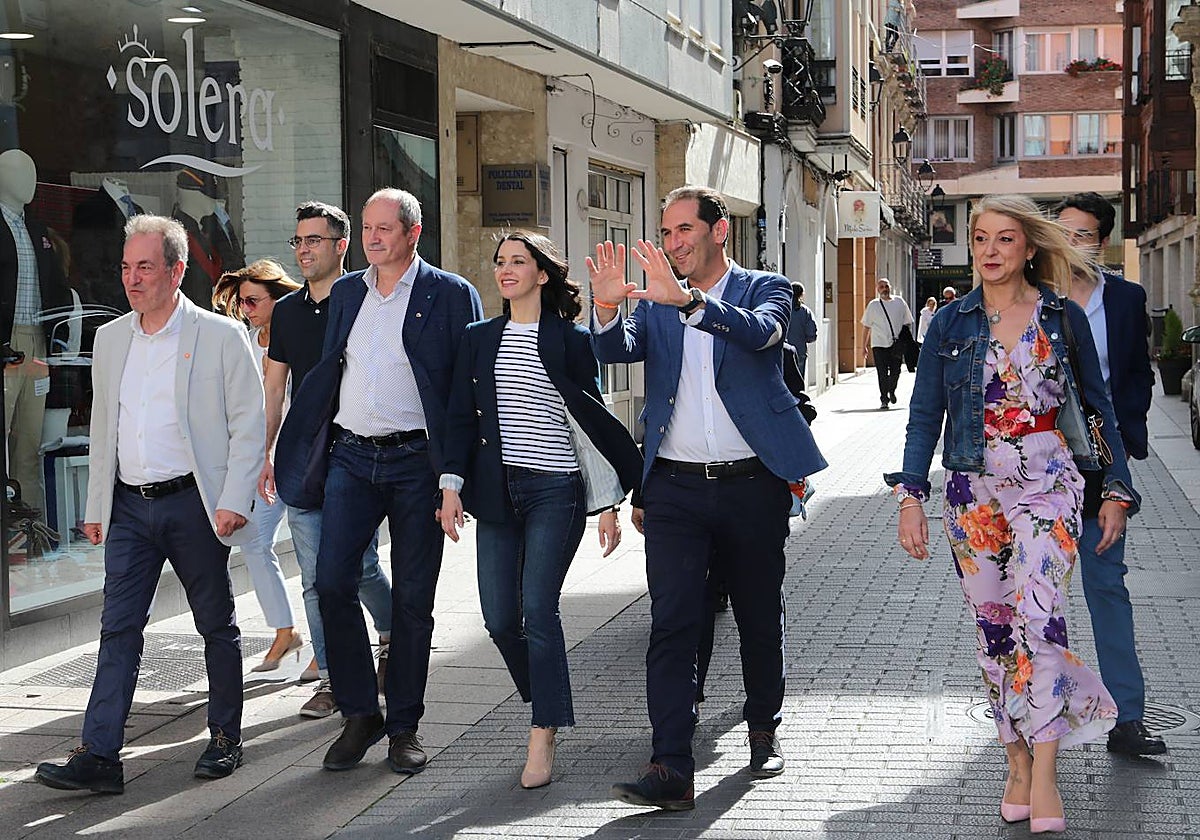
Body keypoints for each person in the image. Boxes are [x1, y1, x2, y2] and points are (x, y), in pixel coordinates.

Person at [887, 194, 1139, 833]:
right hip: (972, 489)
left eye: (1005, 239)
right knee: (996, 628)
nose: (990, 252)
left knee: (1040, 616)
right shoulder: (950, 323)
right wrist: (910, 496)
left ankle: (1048, 773)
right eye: (980, 239)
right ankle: (1017, 758)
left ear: (1029, 248)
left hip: (1049, 480)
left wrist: (1116, 488)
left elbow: (1099, 409)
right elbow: (925, 417)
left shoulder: (1061, 315)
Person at [589, 186, 827, 811]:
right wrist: (610, 310)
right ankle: (671, 763)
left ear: (719, 231)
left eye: (684, 230)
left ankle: (763, 728)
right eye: (666, 234)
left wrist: (692, 303)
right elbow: (613, 348)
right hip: (673, 487)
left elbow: (765, 335)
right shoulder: (656, 300)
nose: (673, 244)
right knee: (672, 621)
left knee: (756, 615)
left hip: (753, 484)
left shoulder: (764, 287)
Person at [34, 215, 264, 794]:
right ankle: (101, 755)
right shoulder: (111, 339)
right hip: (130, 509)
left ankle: (224, 737)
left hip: (195, 504)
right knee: (118, 629)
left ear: (176, 270)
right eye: (125, 267)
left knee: (216, 624)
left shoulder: (217, 335)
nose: (132, 279)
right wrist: (95, 506)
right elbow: (106, 427)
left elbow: (248, 422)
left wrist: (235, 498)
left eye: (145, 267)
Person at [274, 188, 483, 774]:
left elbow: (464, 395)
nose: (372, 238)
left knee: (413, 602)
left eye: (384, 228)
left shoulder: (448, 294)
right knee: (332, 582)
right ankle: (360, 713)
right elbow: (328, 371)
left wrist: (453, 480)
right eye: (366, 227)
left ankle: (404, 727)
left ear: (413, 232)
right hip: (351, 459)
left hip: (419, 464)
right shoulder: (347, 292)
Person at [439, 231, 642, 789]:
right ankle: (549, 695)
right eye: (500, 262)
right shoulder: (478, 339)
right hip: (498, 492)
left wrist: (606, 503)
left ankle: (543, 729)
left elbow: (591, 420)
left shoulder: (569, 341)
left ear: (542, 274)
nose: (506, 270)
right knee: (500, 619)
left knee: (538, 608)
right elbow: (461, 417)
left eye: (518, 262)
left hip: (557, 490)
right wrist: (451, 486)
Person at [259, 202, 394, 719]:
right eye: (297, 241)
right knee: (314, 575)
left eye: (314, 239)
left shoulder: (366, 298)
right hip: (304, 456)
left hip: (360, 450)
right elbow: (275, 387)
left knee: (358, 567)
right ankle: (336, 679)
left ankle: (392, 634)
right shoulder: (287, 311)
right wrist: (266, 452)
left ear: (342, 245)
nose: (304, 250)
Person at [1054, 192, 1165, 756]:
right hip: (1039, 474)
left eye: (1084, 233)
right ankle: (1046, 716)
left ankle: (1128, 718)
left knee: (1107, 591)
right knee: (1038, 601)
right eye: (1062, 230)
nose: (1072, 242)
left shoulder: (1124, 299)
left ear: (1102, 241)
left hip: (1101, 470)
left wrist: (1124, 449)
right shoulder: (1032, 298)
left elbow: (1133, 375)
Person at [212, 260, 304, 673]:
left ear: (277, 298)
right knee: (254, 542)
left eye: (253, 300)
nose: (246, 308)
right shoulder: (244, 341)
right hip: (261, 461)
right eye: (241, 301)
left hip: (302, 458)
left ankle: (333, 641)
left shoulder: (299, 337)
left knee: (320, 558)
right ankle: (285, 631)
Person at [861, 277, 913, 409]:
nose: (885, 289)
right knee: (882, 372)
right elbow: (866, 326)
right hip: (878, 344)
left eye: (886, 286)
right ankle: (884, 399)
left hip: (896, 344)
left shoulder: (900, 302)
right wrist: (864, 346)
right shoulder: (873, 305)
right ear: (878, 290)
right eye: (882, 287)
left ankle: (891, 390)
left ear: (890, 287)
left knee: (896, 371)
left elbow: (907, 322)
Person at [785, 281, 818, 381]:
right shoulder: (805, 311)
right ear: (801, 294)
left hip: (783, 350)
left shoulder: (783, 308)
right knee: (798, 381)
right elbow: (812, 334)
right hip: (800, 351)